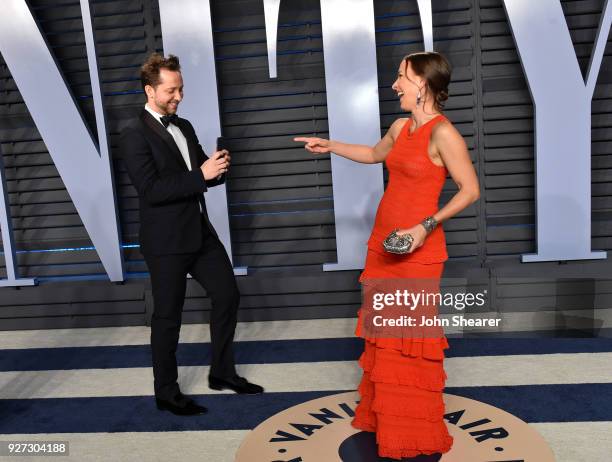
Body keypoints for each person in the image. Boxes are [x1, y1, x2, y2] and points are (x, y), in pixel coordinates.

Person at [295, 51, 479, 460]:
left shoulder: (443, 134)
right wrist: (331, 146)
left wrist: (424, 226)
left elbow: (470, 190)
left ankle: (412, 432)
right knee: (384, 338)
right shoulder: (400, 126)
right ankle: (385, 421)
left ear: (423, 84)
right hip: (382, 247)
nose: (394, 84)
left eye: (401, 77)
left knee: (408, 343)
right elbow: (374, 155)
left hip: (418, 253)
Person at [120, 53, 263, 417]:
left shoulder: (183, 126)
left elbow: (202, 172)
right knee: (168, 317)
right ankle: (166, 392)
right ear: (150, 90)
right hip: (165, 241)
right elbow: (151, 190)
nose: (179, 96)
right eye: (171, 90)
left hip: (198, 231)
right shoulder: (133, 134)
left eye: (181, 88)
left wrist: (219, 169)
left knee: (227, 295)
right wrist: (202, 174)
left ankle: (222, 372)